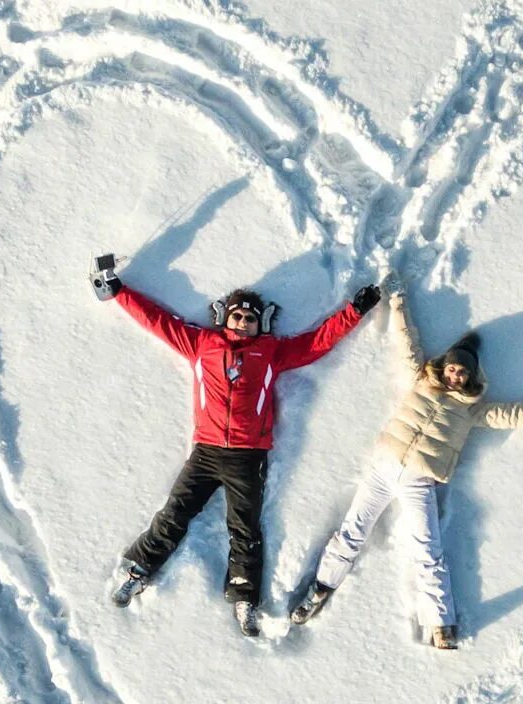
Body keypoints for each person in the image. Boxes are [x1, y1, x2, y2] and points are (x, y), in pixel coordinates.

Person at [290, 288, 523, 649]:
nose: (455, 375)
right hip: (384, 467)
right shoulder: (421, 381)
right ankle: (320, 589)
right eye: (452, 367)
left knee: (427, 551)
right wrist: (399, 303)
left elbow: (514, 413)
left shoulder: (471, 410)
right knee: (352, 532)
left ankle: (440, 625)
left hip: (419, 480)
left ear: (469, 378)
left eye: (461, 372)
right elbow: (406, 343)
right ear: (443, 366)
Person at [96, 261, 380, 637]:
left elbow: (316, 343)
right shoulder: (201, 344)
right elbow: (156, 320)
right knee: (174, 514)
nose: (243, 322)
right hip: (206, 452)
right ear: (224, 319)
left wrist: (354, 311)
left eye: (249, 317)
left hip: (248, 456)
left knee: (244, 529)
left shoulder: (271, 352)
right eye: (237, 316)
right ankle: (139, 572)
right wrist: (117, 291)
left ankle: (245, 598)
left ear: (259, 323)